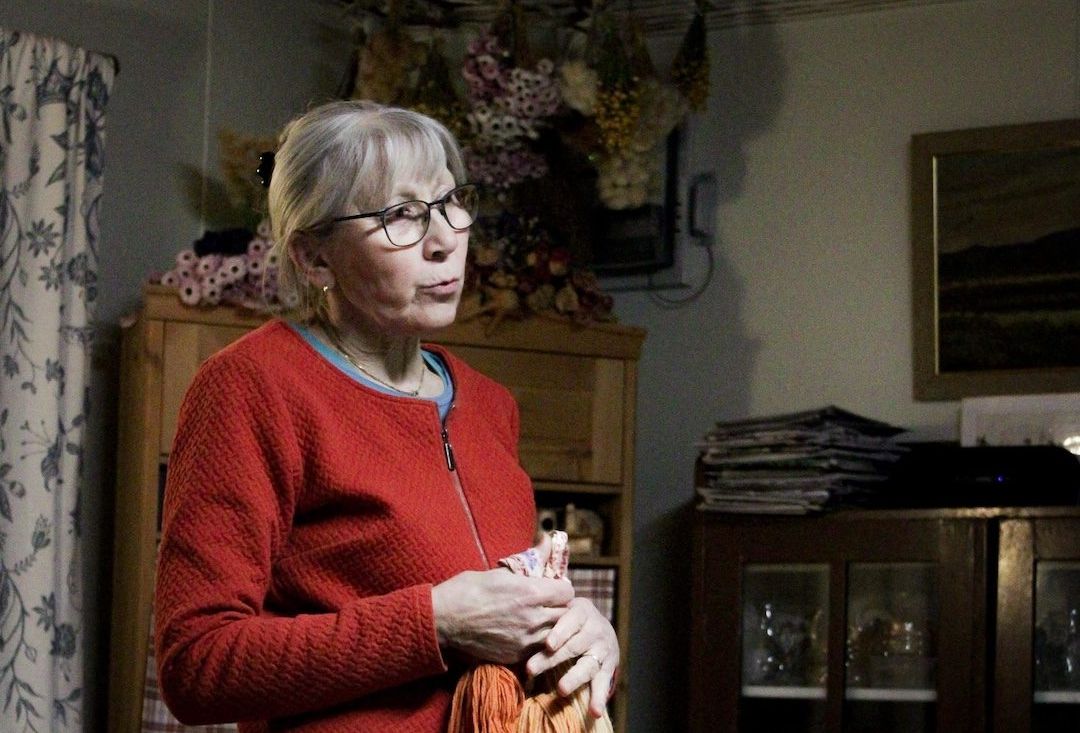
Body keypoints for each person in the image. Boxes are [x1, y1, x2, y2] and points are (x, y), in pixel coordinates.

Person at [153, 99, 619, 733]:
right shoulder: (251, 387)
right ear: (314, 257)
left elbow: (502, 630)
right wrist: (434, 624)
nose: (445, 239)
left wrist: (581, 635)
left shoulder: (490, 405)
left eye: (452, 203)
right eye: (401, 215)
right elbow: (196, 664)